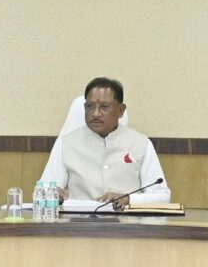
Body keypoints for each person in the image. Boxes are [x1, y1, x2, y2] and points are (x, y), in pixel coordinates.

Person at [35, 78, 169, 210]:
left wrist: (128, 199)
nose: (95, 113)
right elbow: (44, 190)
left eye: (104, 107)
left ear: (121, 110)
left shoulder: (141, 143)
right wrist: (54, 194)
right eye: (90, 106)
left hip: (128, 222)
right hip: (79, 221)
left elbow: (162, 196)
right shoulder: (66, 144)